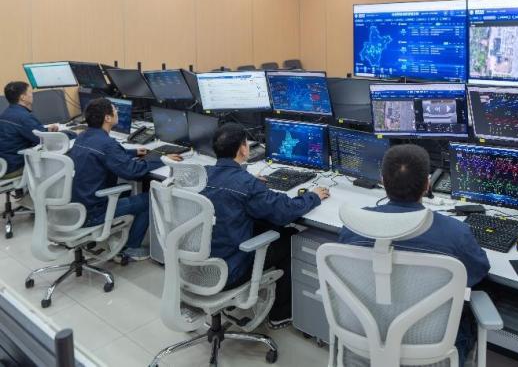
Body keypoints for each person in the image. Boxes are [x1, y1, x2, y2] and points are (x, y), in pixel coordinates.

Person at [338, 144, 490, 365]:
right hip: (431, 352)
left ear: (383, 181)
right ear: (428, 184)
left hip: (366, 341)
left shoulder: (354, 226)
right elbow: (479, 271)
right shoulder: (455, 233)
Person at [203, 123, 329, 328]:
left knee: (267, 226)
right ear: (243, 149)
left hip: (199, 265)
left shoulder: (202, 175)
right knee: (288, 236)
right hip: (230, 270)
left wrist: (248, 182)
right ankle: (281, 314)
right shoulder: (245, 184)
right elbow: (284, 212)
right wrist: (313, 196)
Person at [69, 98, 182, 261]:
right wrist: (162, 158)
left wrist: (134, 152)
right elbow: (133, 171)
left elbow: (108, 154)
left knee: (127, 191)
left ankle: (124, 236)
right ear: (107, 118)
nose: (117, 112)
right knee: (151, 199)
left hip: (77, 208)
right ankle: (131, 248)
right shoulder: (107, 144)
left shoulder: (83, 136)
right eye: (114, 110)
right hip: (93, 212)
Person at [0, 81, 71, 178]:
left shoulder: (6, 114)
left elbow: (31, 132)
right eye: (30, 92)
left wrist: (46, 131)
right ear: (23, 97)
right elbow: (43, 140)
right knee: (65, 155)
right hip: (14, 166)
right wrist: (72, 134)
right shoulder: (23, 117)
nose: (32, 95)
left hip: (4, 163)